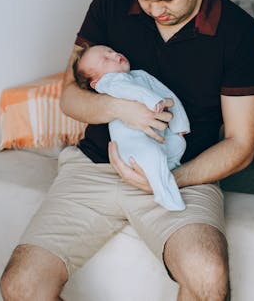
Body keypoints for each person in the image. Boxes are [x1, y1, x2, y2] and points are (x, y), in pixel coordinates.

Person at [0, 0, 254, 301]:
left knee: (209, 278)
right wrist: (121, 110)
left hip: (183, 171)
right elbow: (70, 96)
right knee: (20, 285)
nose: (156, 10)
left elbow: (242, 144)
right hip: (96, 166)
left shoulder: (238, 32)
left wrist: (169, 178)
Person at [73, 43, 189, 211]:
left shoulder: (140, 75)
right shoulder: (108, 83)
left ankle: (165, 170)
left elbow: (168, 95)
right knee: (151, 154)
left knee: (178, 144)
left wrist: (180, 125)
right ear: (95, 82)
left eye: (112, 51)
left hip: (157, 138)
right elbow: (130, 91)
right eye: (106, 59)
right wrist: (153, 100)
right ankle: (163, 191)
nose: (114, 55)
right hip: (133, 143)